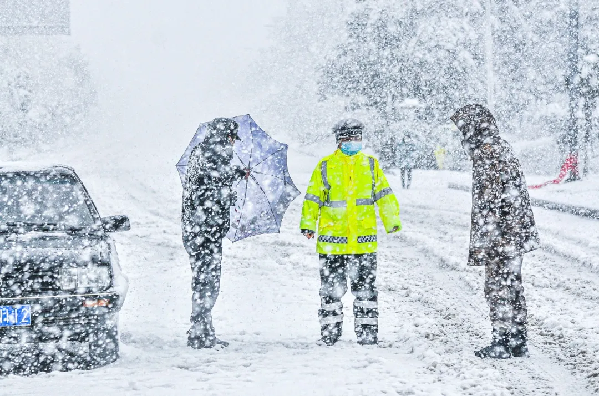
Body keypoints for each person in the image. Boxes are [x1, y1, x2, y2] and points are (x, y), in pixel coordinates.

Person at [300, 119, 402, 346]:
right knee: (330, 291)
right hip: (331, 243)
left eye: (357, 137)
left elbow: (384, 195)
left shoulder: (371, 165)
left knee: (366, 291)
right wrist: (308, 224)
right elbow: (312, 198)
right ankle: (330, 333)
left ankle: (367, 334)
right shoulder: (325, 166)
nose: (353, 141)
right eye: (348, 137)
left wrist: (392, 220)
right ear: (339, 141)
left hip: (363, 243)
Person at [450, 104, 540, 359]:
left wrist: (486, 241)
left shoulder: (487, 155)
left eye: (464, 130)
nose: (462, 136)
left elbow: (489, 203)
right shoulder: (502, 147)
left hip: (500, 236)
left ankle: (501, 342)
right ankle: (518, 340)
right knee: (512, 285)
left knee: (497, 287)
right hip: (513, 234)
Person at [181, 117, 248, 349]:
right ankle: (200, 334)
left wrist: (232, 177)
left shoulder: (201, 152)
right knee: (207, 282)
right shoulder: (216, 153)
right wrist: (235, 177)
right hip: (205, 232)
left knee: (203, 281)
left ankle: (202, 330)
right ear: (226, 136)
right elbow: (210, 187)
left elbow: (204, 185)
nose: (233, 143)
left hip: (198, 230)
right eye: (232, 138)